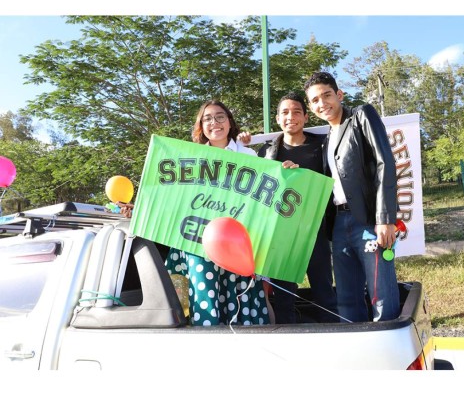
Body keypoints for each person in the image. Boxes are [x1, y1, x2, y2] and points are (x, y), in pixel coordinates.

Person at [122, 100, 272, 326]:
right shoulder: (191, 158)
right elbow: (171, 200)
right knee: (205, 298)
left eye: (220, 116)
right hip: (198, 244)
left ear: (229, 122)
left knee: (241, 300)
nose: (215, 122)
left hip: (237, 244)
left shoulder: (249, 156)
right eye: (208, 118)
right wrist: (140, 209)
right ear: (201, 126)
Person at [303, 71, 400, 323]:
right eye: (315, 100)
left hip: (368, 221)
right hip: (339, 225)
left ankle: (389, 350)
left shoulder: (362, 116)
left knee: (381, 294)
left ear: (339, 94)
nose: (322, 103)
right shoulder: (325, 139)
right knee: (346, 297)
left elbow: (385, 162)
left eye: (326, 95)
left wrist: (385, 218)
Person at [243, 92, 339, 324]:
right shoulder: (267, 152)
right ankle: (287, 337)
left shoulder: (322, 146)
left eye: (296, 112)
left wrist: (300, 175)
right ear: (277, 119)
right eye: (285, 112)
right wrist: (240, 140)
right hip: (281, 236)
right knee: (284, 295)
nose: (291, 117)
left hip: (315, 231)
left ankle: (332, 336)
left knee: (323, 290)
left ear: (306, 117)